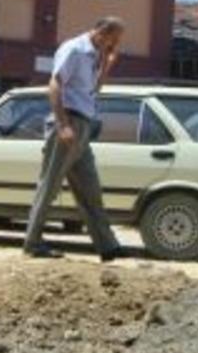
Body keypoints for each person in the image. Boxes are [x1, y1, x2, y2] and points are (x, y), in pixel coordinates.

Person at [24, 17, 127, 262]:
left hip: (84, 126)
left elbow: (92, 91)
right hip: (68, 122)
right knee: (50, 185)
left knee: (90, 189)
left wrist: (108, 63)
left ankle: (107, 246)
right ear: (102, 33)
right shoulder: (74, 49)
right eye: (113, 40)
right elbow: (55, 84)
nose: (114, 45)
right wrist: (62, 125)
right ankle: (33, 242)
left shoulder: (95, 55)